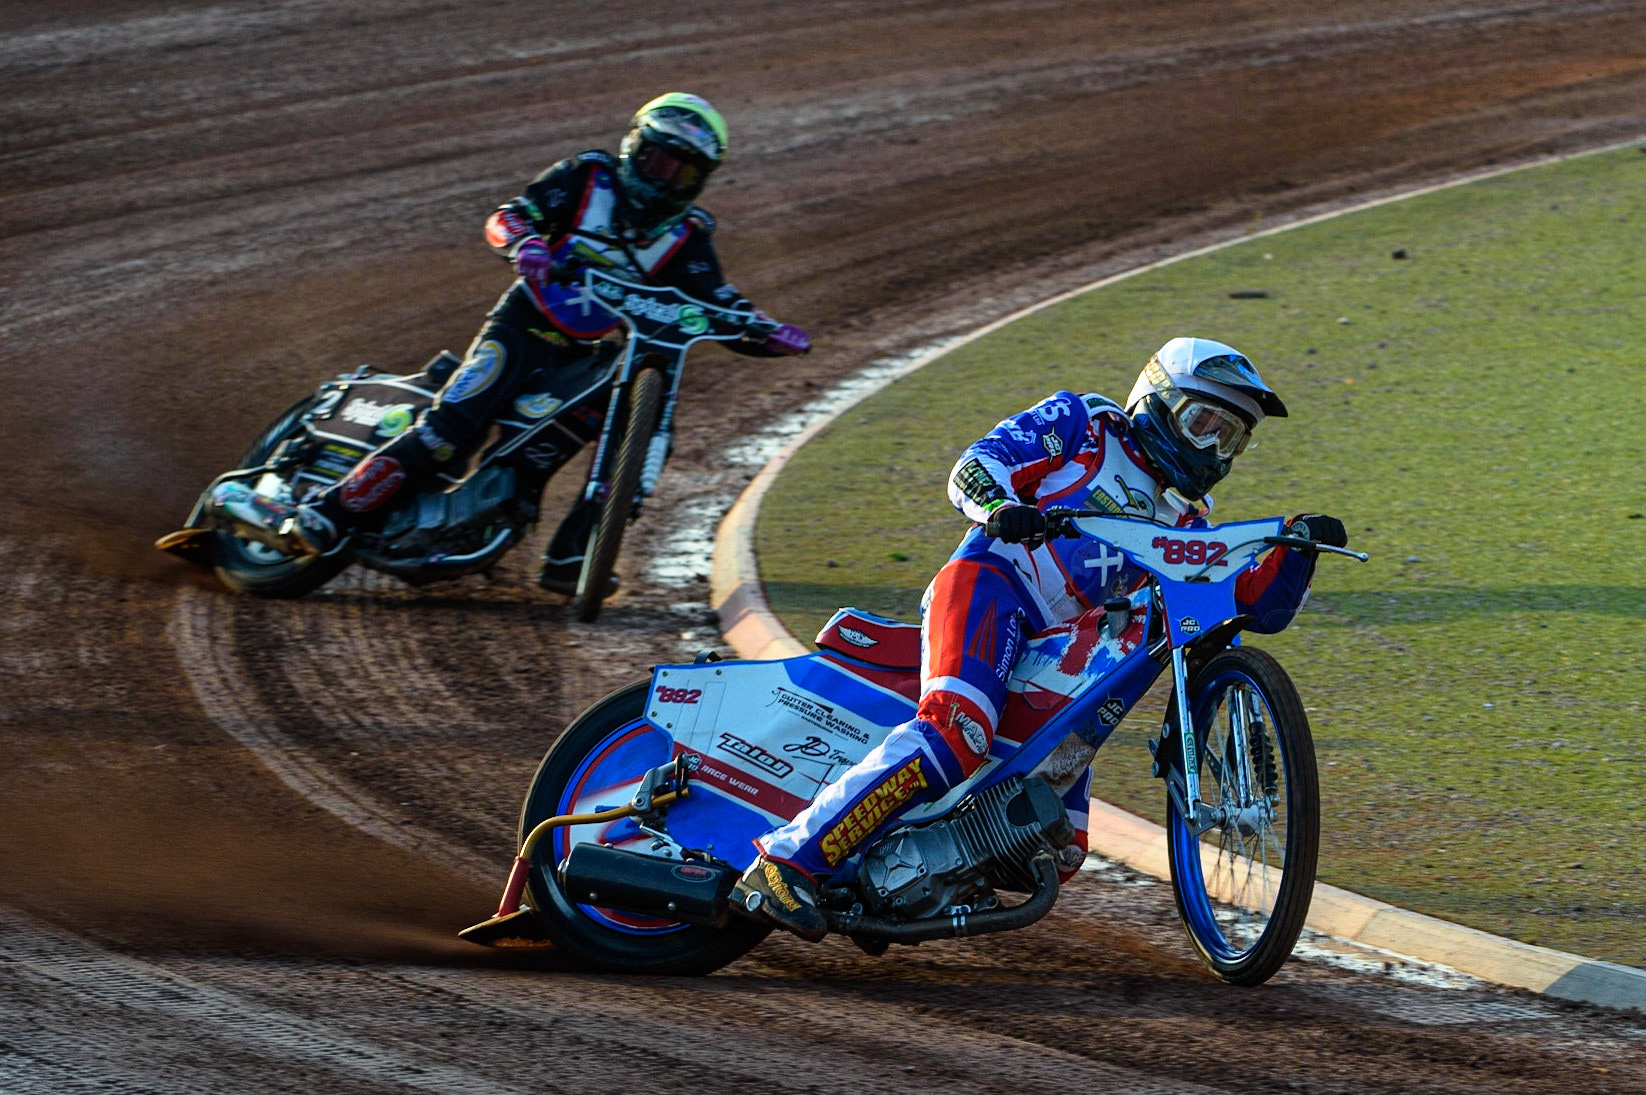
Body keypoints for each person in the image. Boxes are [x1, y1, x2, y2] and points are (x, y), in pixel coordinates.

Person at [731, 336, 1348, 940]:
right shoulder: (1085, 423)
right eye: (1203, 421)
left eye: (1231, 435)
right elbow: (975, 465)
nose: (1213, 446)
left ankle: (884, 879)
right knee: (957, 732)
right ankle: (786, 863)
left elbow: (1249, 607)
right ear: (1157, 398)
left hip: (1062, 647)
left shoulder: (1190, 522)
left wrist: (1295, 545)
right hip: (992, 584)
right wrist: (1000, 507)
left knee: (1059, 841)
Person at [217, 92, 809, 593]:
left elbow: (716, 299)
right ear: (634, 150)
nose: (663, 180)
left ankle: (573, 553)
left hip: (587, 353)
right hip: (523, 326)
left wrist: (764, 327)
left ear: (699, 182)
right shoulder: (586, 176)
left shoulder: (688, 237)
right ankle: (324, 514)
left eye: (679, 173)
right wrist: (524, 244)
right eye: (656, 162)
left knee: (621, 417)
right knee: (454, 429)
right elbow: (510, 216)